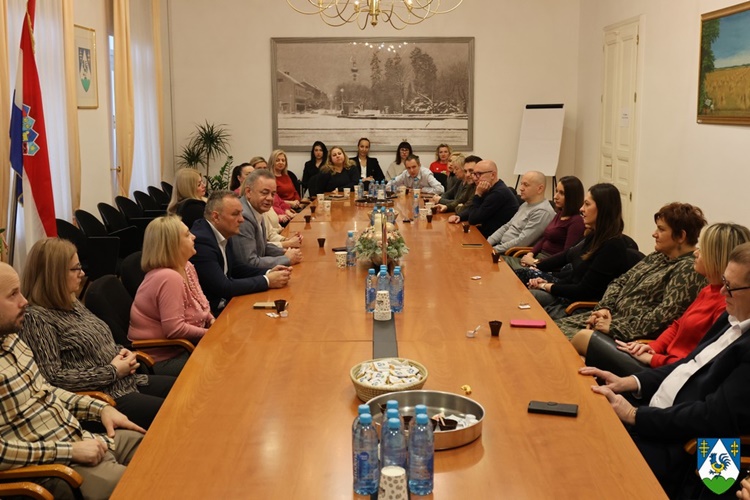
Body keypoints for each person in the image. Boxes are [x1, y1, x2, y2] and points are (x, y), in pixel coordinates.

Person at [578, 242, 750, 497]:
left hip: (679, 444)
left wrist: (635, 415)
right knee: (581, 413)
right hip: (655, 413)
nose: (722, 291)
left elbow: (712, 417)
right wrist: (631, 381)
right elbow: (689, 364)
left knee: (586, 461)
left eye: (730, 287)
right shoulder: (730, 317)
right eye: (724, 281)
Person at [0, 263, 145, 500]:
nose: (24, 301)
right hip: (59, 466)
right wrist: (70, 451)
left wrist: (100, 409)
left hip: (82, 438)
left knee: (157, 449)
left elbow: (46, 389)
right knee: (151, 483)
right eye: (13, 294)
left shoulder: (12, 340)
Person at [18, 238, 175, 431]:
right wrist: (112, 371)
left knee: (185, 389)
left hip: (127, 381)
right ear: (55, 275)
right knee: (176, 412)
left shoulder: (71, 302)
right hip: (104, 397)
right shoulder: (36, 319)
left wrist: (122, 353)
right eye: (75, 268)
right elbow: (53, 379)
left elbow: (101, 339)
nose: (82, 274)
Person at [577, 222, 750, 376]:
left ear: (716, 256)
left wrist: (653, 359)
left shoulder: (725, 305)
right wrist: (653, 347)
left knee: (584, 339)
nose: (696, 253)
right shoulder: (708, 289)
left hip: (666, 372)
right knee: (582, 359)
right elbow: (676, 326)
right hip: (657, 357)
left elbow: (694, 361)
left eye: (702, 249)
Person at [557, 202, 708, 339]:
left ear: (681, 236)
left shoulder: (689, 270)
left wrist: (613, 327)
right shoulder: (658, 256)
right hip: (607, 320)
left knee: (553, 344)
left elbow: (662, 319)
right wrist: (605, 308)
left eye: (661, 229)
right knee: (550, 331)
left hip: (624, 335)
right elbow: (619, 282)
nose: (654, 234)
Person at [523, 183, 629, 316]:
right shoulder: (594, 236)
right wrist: (546, 282)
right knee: (522, 292)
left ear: (603, 209)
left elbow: (584, 290)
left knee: (525, 298)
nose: (582, 209)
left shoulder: (612, 246)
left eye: (587, 204)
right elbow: (575, 276)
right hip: (568, 296)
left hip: (579, 307)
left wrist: (546, 286)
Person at [129, 216, 215, 376]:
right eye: (187, 234)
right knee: (226, 361)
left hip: (185, 347)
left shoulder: (186, 266)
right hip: (164, 359)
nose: (194, 236)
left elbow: (200, 303)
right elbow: (174, 330)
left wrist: (211, 320)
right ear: (172, 244)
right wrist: (213, 333)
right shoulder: (168, 278)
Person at [190, 190, 292, 315]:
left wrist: (270, 272)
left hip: (227, 305)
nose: (241, 220)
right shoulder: (202, 241)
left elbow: (237, 269)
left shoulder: (223, 231)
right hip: (212, 315)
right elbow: (224, 287)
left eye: (241, 214)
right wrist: (267, 281)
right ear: (216, 217)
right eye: (235, 214)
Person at [504, 175, 585, 271]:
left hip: (548, 266)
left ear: (572, 197)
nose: (555, 197)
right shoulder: (560, 214)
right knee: (499, 261)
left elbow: (566, 256)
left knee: (503, 266)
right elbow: (544, 238)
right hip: (537, 259)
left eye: (561, 193)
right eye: (556, 191)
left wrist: (535, 263)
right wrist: (530, 254)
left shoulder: (576, 222)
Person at [236, 169, 303, 268]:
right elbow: (249, 262)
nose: (270, 198)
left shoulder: (257, 209)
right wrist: (286, 259)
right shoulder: (243, 217)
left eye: (273, 194)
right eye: (264, 193)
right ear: (248, 192)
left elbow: (262, 246)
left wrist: (283, 252)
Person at [486, 171, 556, 254]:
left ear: (540, 189)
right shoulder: (526, 204)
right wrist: (487, 243)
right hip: (501, 247)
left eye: (526, 185)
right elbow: (507, 226)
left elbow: (522, 241)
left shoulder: (542, 212)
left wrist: (494, 250)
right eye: (521, 184)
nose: (521, 188)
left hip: (511, 253)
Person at [447, 159, 519, 238]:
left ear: (493, 175)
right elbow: (474, 208)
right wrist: (460, 216)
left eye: (479, 174)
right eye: (474, 174)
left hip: (495, 240)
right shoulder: (489, 187)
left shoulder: (498, 193)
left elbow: (473, 219)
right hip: (486, 233)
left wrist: (478, 194)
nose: (474, 178)